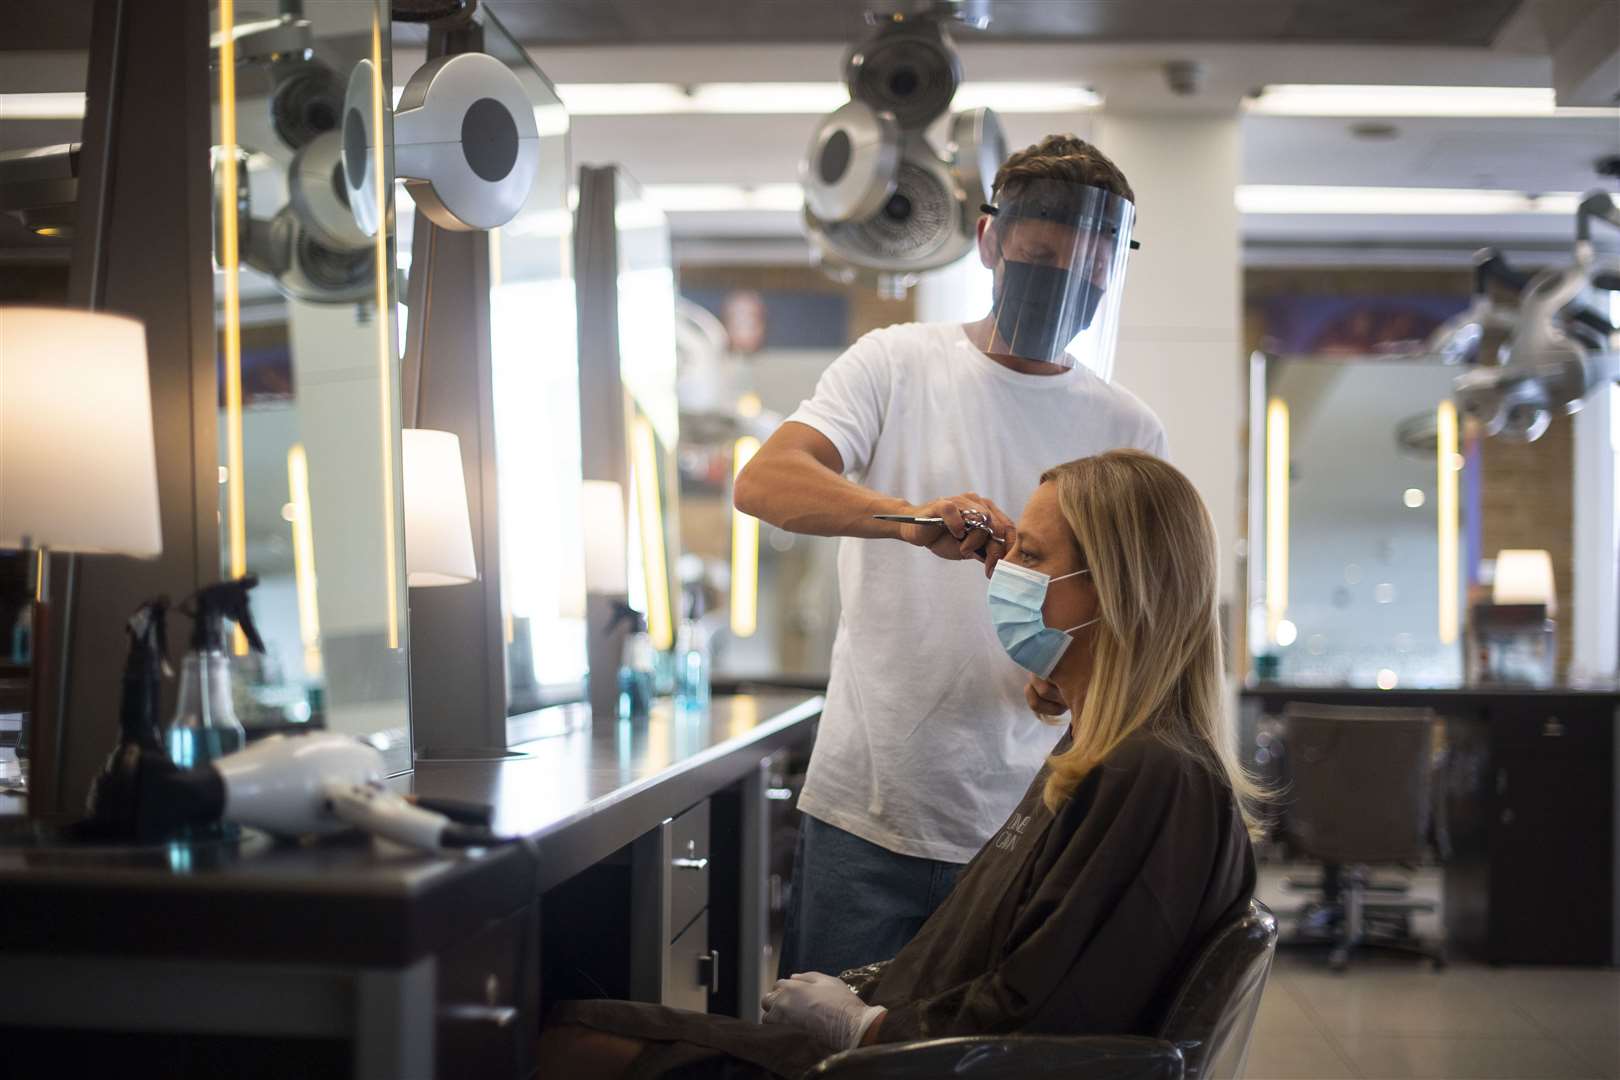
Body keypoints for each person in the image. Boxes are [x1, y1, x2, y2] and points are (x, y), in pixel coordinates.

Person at [537, 450, 1261, 1080]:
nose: (1001, 574)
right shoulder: (1099, 757)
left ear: (1119, 590)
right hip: (912, 1047)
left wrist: (866, 1028)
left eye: (1031, 557)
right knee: (587, 1022)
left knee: (573, 1043)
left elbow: (1043, 1027)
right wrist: (872, 992)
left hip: (911, 1066)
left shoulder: (1149, 778)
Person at [731, 134, 1167, 978]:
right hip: (870, 810)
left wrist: (1073, 683)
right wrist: (903, 517)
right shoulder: (896, 364)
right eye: (1041, 260)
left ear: (1112, 269)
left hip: (1032, 819)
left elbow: (1135, 616)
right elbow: (767, 482)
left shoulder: (1128, 429)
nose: (1062, 287)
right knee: (827, 1052)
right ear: (990, 243)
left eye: (1087, 270)